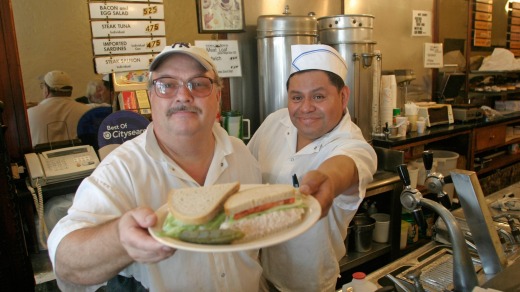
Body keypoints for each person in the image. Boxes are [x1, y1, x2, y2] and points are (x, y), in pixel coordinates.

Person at [47, 43, 263, 291]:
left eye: (199, 83)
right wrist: (120, 239)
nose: (183, 95)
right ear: (151, 97)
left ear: (217, 96)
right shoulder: (123, 169)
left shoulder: (240, 153)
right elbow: (66, 261)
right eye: (167, 85)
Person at [247, 44, 377, 291]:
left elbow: (344, 166)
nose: (305, 107)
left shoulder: (352, 144)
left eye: (318, 96)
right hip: (257, 272)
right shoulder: (275, 122)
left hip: (307, 283)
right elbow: (247, 170)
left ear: (343, 96)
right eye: (297, 97)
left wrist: (326, 180)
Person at [27, 70, 91, 147]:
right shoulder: (86, 111)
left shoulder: (30, 114)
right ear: (70, 91)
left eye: (43, 86)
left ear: (47, 90)